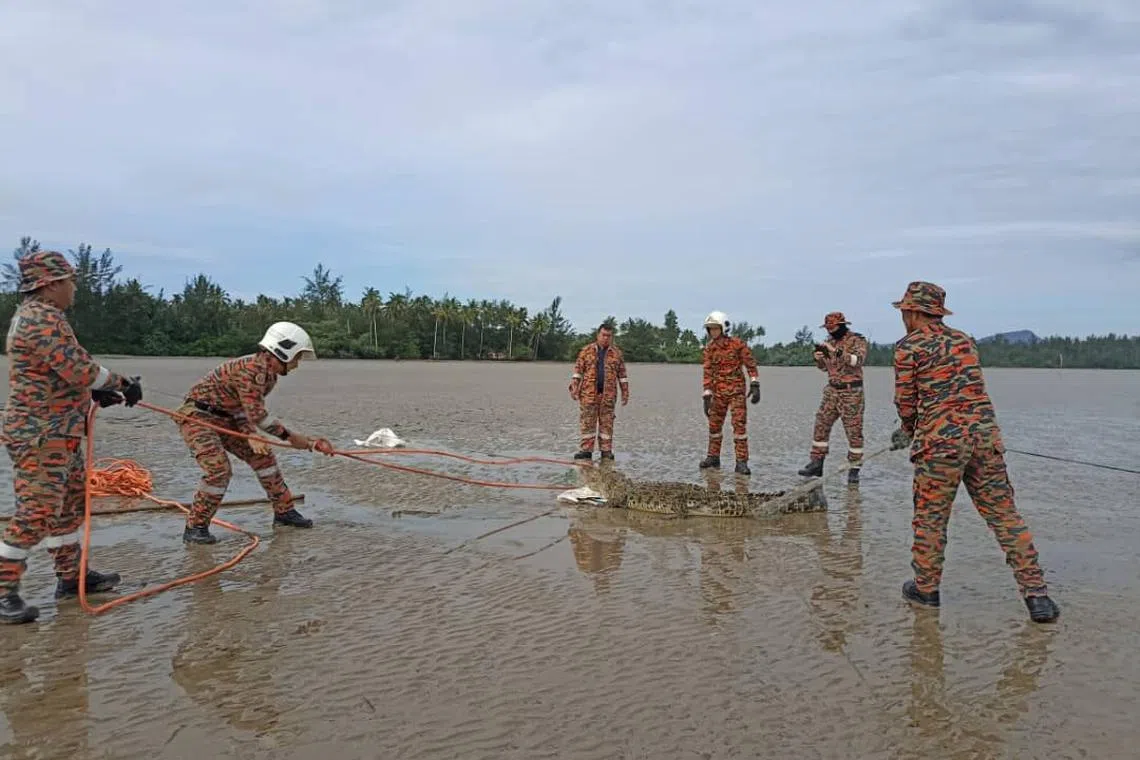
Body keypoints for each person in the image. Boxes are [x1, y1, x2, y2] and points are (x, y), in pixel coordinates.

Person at [889, 281, 1060, 623]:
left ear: (913, 312)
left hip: (939, 445)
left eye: (904, 312)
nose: (903, 317)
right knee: (1005, 517)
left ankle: (926, 589)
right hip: (984, 439)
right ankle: (1037, 597)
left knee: (931, 519)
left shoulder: (908, 347)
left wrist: (907, 430)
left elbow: (905, 401)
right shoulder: (965, 340)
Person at [0, 250, 143, 625]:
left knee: (69, 508)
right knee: (36, 512)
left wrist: (96, 394)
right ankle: (3, 591)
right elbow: (79, 368)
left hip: (60, 432)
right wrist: (121, 384)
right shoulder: (41, 318)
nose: (74, 289)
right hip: (40, 434)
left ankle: (70, 578)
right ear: (51, 284)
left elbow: (65, 373)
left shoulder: (43, 317)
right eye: (69, 281)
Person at [176, 321, 334, 545]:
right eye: (297, 357)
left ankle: (284, 513)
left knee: (263, 457)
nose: (297, 364)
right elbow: (257, 415)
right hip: (199, 418)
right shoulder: (252, 370)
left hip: (231, 418)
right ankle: (195, 527)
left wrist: (255, 434)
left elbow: (245, 410)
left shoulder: (269, 375)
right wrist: (291, 438)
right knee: (218, 470)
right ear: (282, 351)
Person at [797, 311, 868, 485]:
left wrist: (835, 352)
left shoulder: (857, 340)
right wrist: (819, 359)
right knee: (821, 424)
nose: (830, 331)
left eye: (833, 327)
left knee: (854, 431)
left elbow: (856, 361)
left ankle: (854, 469)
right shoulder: (829, 343)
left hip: (851, 392)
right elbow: (824, 368)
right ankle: (816, 463)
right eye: (827, 328)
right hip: (832, 390)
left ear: (842, 325)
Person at [699, 311, 760, 475]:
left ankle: (741, 462)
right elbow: (708, 372)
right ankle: (713, 457)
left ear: (723, 328)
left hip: (736, 393)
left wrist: (755, 384)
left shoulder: (737, 344)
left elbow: (751, 365)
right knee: (714, 426)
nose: (712, 332)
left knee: (739, 427)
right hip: (718, 394)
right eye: (710, 329)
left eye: (715, 328)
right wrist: (706, 394)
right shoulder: (709, 349)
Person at [569, 322, 629, 460]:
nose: (606, 338)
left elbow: (622, 375)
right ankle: (586, 451)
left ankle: (606, 451)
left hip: (608, 396)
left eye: (609, 336)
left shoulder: (616, 354)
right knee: (587, 423)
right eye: (603, 335)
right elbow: (578, 371)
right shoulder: (586, 351)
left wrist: (625, 393)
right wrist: (574, 387)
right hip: (588, 395)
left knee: (607, 424)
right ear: (598, 335)